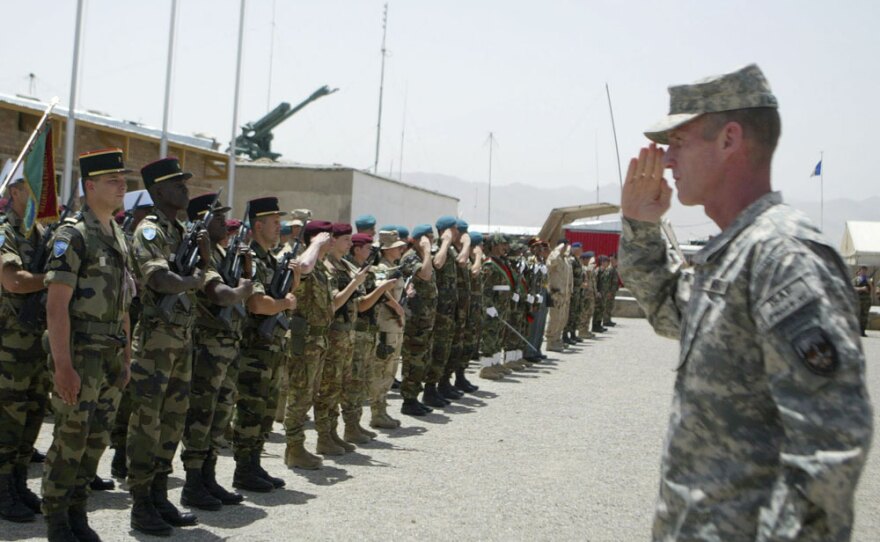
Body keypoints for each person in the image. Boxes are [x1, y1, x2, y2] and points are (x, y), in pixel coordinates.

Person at [619, 63, 873, 540]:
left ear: (729, 140)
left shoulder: (784, 257)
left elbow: (829, 449)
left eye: (679, 143)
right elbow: (668, 310)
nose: (667, 161)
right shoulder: (736, 252)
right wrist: (641, 226)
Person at [41, 148, 133, 540]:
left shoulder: (116, 233)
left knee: (95, 439)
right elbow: (56, 306)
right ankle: (57, 517)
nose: (122, 186)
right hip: (81, 354)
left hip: (111, 355)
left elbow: (125, 303)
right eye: (113, 180)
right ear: (89, 186)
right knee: (70, 439)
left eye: (123, 179)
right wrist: (63, 365)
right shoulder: (73, 236)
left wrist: (127, 356)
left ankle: (78, 509)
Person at [127, 157, 206, 535]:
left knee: (173, 421)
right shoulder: (150, 230)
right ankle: (141, 503)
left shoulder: (183, 230)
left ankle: (160, 494)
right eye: (177, 184)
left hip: (181, 338)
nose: (185, 190)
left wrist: (203, 259)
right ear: (158, 191)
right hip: (156, 341)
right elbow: (158, 279)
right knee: (147, 424)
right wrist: (194, 279)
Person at [180, 193, 253, 507]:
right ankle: (193, 483)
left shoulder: (224, 253)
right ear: (203, 221)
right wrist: (243, 290)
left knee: (220, 415)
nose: (226, 223)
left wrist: (247, 268)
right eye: (219, 218)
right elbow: (220, 293)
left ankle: (208, 477)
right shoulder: (201, 255)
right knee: (201, 415)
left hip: (226, 349)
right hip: (207, 350)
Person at [0, 167, 50, 522]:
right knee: (7, 420)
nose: (39, 194)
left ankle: (18, 483)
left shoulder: (41, 232)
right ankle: (2, 490)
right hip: (9, 345)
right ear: (15, 191)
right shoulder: (4, 233)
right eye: (32, 187)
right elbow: (14, 281)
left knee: (32, 415)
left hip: (37, 343)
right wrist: (57, 278)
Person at [282, 220, 332, 470]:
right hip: (304, 340)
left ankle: (298, 447)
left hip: (317, 340)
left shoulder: (322, 266)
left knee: (308, 395)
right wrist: (315, 244)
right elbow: (303, 266)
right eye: (328, 238)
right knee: (299, 395)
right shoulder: (303, 258)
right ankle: (294, 449)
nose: (330, 242)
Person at [398, 224, 438, 415]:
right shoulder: (410, 258)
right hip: (414, 320)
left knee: (422, 359)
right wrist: (428, 251)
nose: (430, 242)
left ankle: (414, 397)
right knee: (413, 360)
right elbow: (425, 273)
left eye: (432, 238)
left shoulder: (423, 257)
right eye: (427, 238)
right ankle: (408, 400)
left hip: (425, 319)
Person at [370, 230, 407, 428]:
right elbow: (381, 290)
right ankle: (377, 412)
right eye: (396, 247)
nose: (400, 250)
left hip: (394, 324)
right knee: (383, 368)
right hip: (386, 324)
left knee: (391, 367)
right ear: (387, 249)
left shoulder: (393, 266)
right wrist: (396, 306)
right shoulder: (381, 268)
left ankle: (382, 410)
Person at [852, 266, 872, 337]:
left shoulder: (868, 280)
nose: (864, 272)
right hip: (858, 300)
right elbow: (852, 288)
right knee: (857, 315)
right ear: (859, 271)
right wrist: (862, 288)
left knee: (865, 316)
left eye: (865, 271)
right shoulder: (855, 280)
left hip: (866, 301)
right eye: (862, 271)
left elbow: (871, 289)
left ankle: (862, 331)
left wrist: (869, 283)